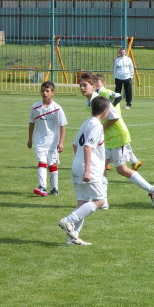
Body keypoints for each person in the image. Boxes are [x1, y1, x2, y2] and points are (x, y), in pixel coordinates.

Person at [80, 72, 154, 209]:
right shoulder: (88, 102)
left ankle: (152, 189)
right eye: (80, 85)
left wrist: (100, 128)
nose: (82, 88)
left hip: (118, 137)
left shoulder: (99, 100)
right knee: (100, 169)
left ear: (93, 86)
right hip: (107, 139)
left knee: (122, 170)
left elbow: (114, 116)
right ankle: (103, 201)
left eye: (85, 85)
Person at [58, 96, 110, 246]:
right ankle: (69, 220)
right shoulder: (96, 125)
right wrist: (87, 169)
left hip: (77, 166)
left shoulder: (86, 122)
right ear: (105, 112)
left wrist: (79, 162)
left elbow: (75, 145)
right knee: (100, 200)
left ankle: (72, 239)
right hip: (89, 168)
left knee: (83, 203)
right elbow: (88, 146)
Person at [27, 81, 67, 197]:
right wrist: (30, 139)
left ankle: (54, 188)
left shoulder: (57, 108)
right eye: (43, 91)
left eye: (47, 91)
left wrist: (61, 142)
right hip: (39, 140)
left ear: (53, 93)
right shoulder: (35, 107)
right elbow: (31, 123)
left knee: (52, 164)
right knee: (42, 162)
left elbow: (63, 125)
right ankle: (42, 187)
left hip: (53, 141)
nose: (44, 93)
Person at [95, 73, 142, 171]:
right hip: (113, 121)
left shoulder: (103, 91)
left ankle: (106, 162)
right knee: (119, 144)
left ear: (103, 83)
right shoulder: (98, 94)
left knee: (108, 142)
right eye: (94, 82)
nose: (96, 84)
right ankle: (134, 161)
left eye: (98, 82)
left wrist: (109, 107)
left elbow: (118, 96)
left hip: (114, 121)